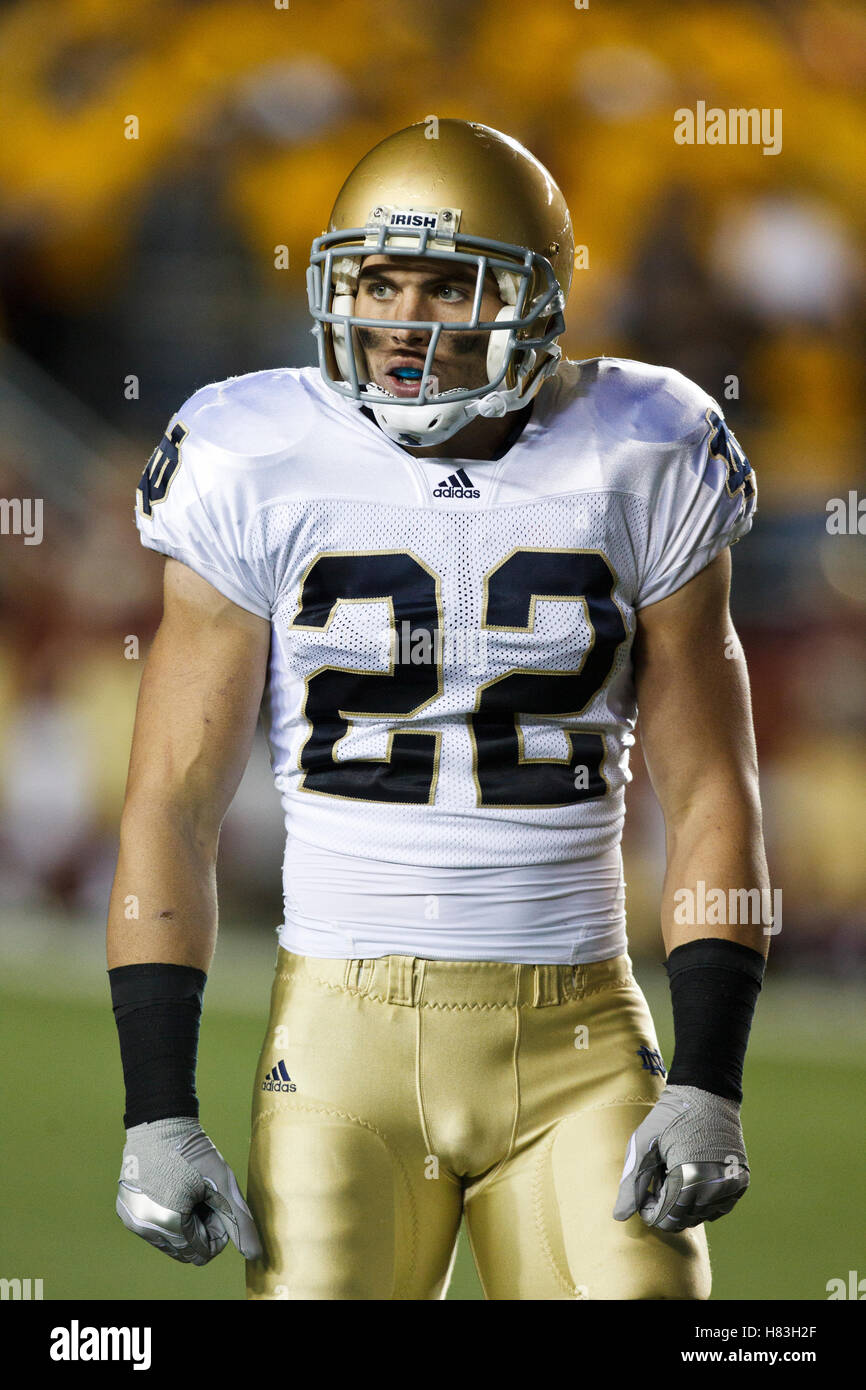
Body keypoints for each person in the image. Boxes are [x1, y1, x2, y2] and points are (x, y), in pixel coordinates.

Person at [107, 118, 768, 1300]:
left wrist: (709, 1075)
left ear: (533, 299)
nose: (404, 322)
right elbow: (172, 800)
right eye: (377, 280)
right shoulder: (251, 452)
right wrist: (155, 1104)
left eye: (447, 286)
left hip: (579, 1032)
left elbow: (713, 782)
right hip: (338, 1043)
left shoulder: (645, 443)